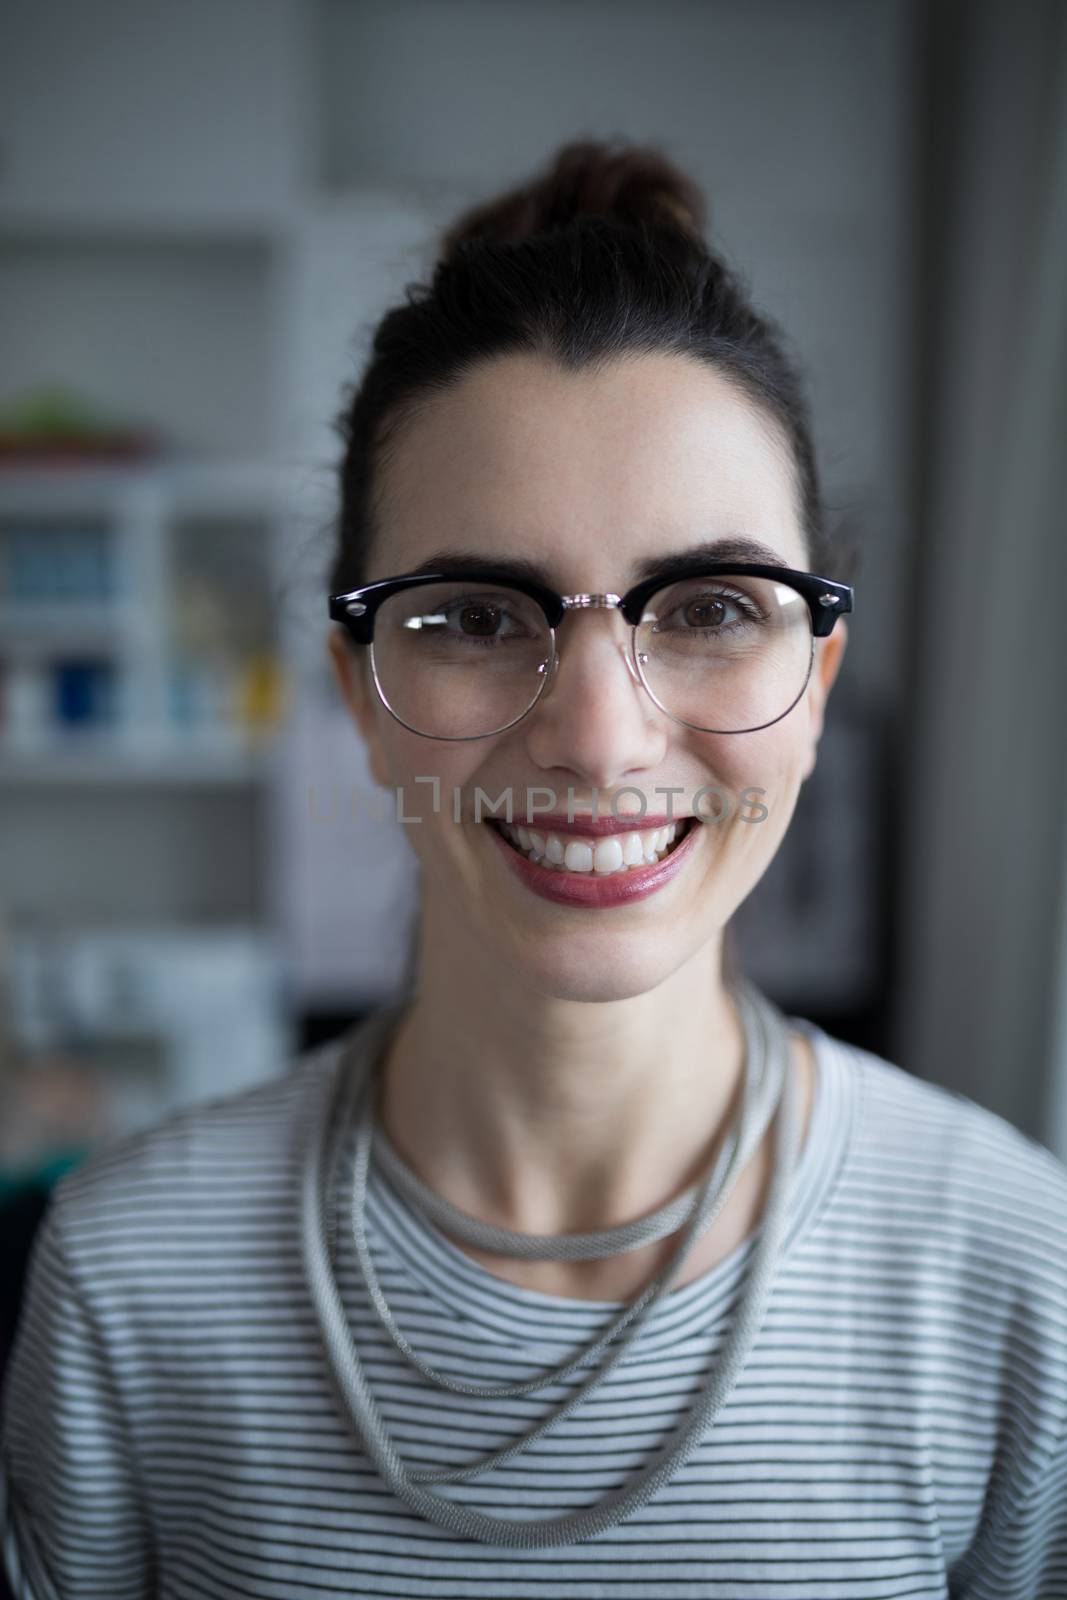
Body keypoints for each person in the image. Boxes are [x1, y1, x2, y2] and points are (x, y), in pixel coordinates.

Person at [3, 138, 1067, 1598]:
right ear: (359, 690)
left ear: (817, 680)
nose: (599, 735)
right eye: (477, 617)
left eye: (706, 607)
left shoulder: (1014, 1279)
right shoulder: (127, 1282)